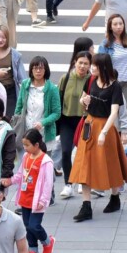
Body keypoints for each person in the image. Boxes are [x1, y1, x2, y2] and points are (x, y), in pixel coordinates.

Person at [69, 53, 127, 222]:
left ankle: (114, 197)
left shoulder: (115, 87)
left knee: (110, 164)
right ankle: (86, 205)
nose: (92, 68)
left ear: (103, 66)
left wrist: (104, 133)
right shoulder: (90, 80)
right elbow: (83, 102)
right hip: (90, 125)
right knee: (84, 165)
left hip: (105, 127)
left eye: (95, 65)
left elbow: (114, 113)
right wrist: (85, 102)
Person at [10, 128, 56, 253]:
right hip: (25, 197)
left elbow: (48, 184)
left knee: (34, 226)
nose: (24, 148)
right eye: (23, 145)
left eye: (27, 145)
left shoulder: (46, 161)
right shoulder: (26, 157)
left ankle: (47, 242)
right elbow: (20, 174)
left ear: (36, 145)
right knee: (27, 225)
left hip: (37, 200)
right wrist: (10, 181)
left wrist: (43, 200)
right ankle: (33, 251)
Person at [57, 49, 92, 200]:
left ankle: (82, 181)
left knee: (83, 153)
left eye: (86, 63)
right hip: (67, 120)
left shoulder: (92, 80)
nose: (83, 66)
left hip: (84, 121)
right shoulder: (65, 78)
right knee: (65, 151)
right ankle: (68, 184)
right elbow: (58, 100)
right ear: (74, 63)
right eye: (80, 63)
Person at [98, 13, 127, 119]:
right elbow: (100, 64)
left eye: (120, 23)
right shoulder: (105, 44)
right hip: (113, 83)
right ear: (110, 27)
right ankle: (115, 135)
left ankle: (126, 135)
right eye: (115, 24)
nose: (119, 26)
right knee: (113, 112)